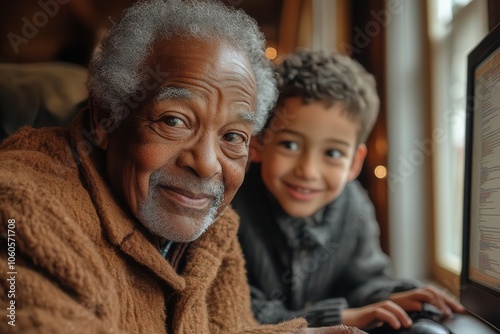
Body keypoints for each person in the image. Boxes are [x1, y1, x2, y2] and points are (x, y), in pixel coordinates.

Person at [0, 1, 363, 333]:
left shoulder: (211, 227)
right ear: (106, 119)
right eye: (174, 121)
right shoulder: (20, 205)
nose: (207, 165)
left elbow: (227, 328)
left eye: (233, 136)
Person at [231, 49, 465, 332]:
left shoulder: (353, 204)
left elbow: (363, 282)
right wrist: (341, 316)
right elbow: (236, 311)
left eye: (332, 152)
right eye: (289, 145)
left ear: (355, 163)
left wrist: (391, 296)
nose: (308, 170)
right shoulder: (232, 204)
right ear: (258, 144)